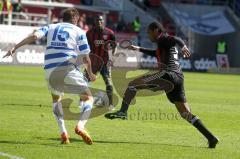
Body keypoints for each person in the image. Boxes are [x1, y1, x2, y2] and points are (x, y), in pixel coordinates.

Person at [105, 22, 219, 148]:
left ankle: (123, 112)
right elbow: (156, 53)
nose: (148, 36)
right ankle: (211, 137)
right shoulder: (162, 44)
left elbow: (176, 39)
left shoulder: (163, 38)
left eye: (149, 32)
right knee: (185, 113)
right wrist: (138, 49)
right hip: (178, 77)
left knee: (132, 85)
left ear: (156, 30)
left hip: (167, 75)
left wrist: (183, 46)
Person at [3, 8, 96, 145]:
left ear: (62, 18)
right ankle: (80, 126)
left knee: (56, 99)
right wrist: (90, 73)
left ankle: (63, 132)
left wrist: (15, 48)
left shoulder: (51, 26)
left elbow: (35, 36)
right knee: (88, 98)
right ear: (75, 20)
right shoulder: (79, 31)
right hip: (67, 67)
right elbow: (85, 57)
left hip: (50, 70)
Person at [82, 15, 116, 110]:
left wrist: (112, 58)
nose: (99, 22)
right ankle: (82, 101)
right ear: (94, 21)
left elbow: (114, 46)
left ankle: (111, 105)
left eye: (100, 20)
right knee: (83, 82)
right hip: (92, 63)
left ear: (103, 21)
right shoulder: (89, 33)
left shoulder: (109, 33)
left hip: (105, 63)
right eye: (97, 20)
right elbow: (85, 47)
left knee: (108, 83)